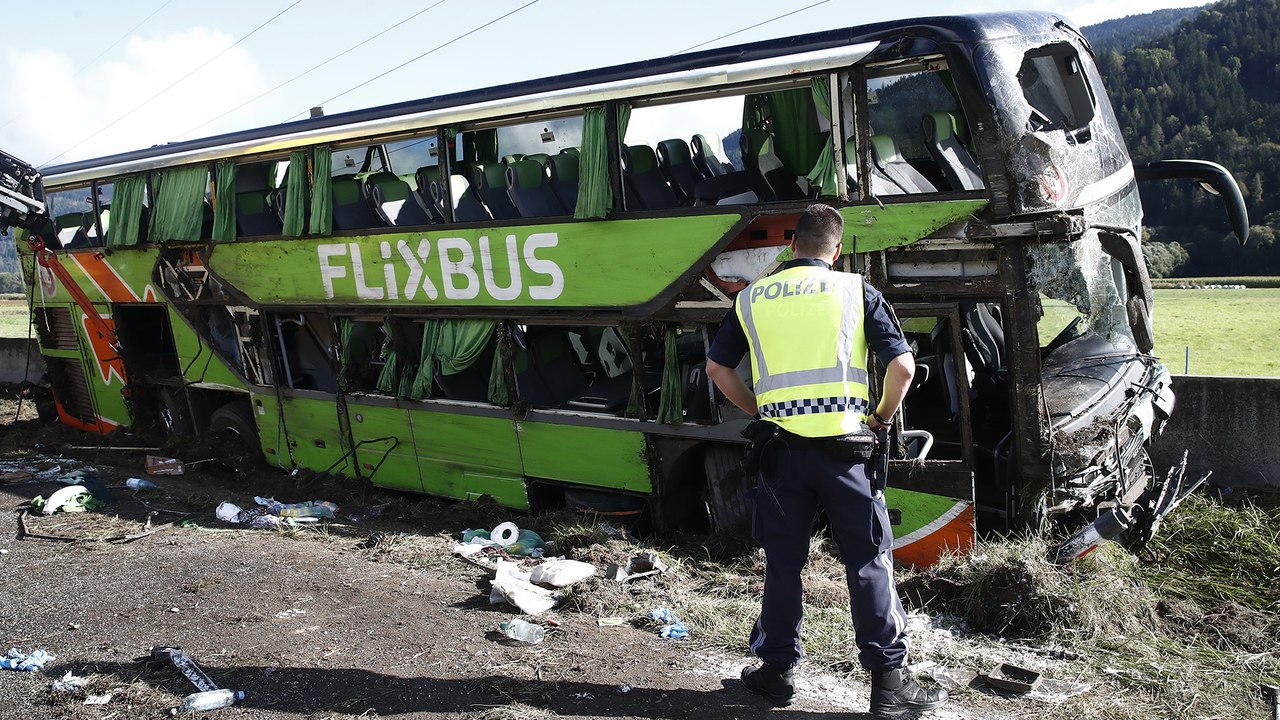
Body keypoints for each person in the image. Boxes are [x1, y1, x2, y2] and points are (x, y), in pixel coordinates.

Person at [705, 203, 946, 717]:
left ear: (792, 246)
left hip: (781, 454)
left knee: (783, 565)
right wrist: (879, 419)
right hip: (847, 454)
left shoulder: (752, 299)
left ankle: (775, 674)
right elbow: (902, 367)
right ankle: (889, 686)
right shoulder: (857, 291)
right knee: (867, 561)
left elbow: (717, 369)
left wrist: (760, 410)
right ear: (835, 251)